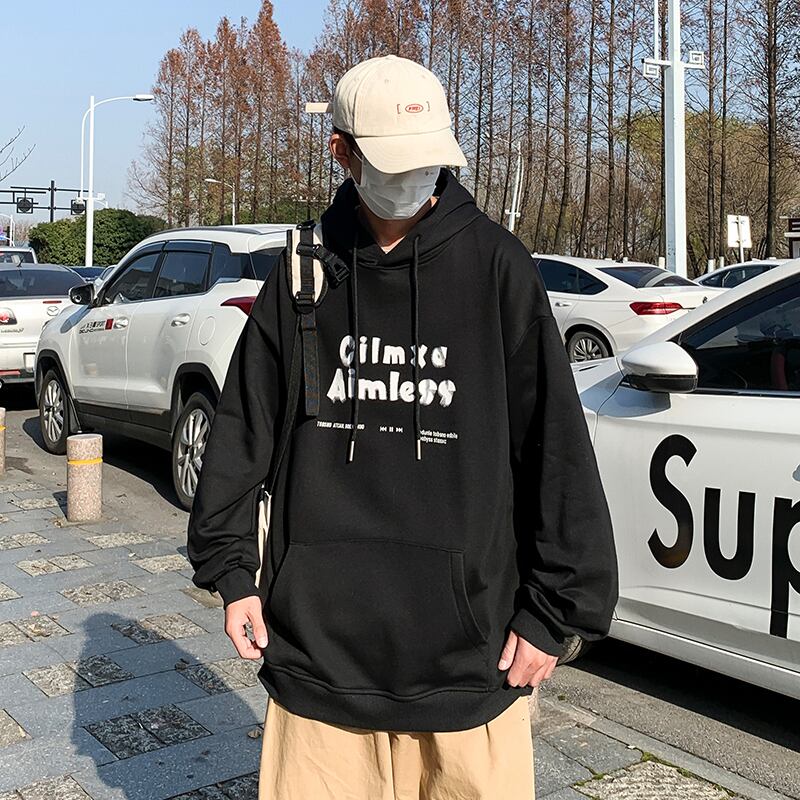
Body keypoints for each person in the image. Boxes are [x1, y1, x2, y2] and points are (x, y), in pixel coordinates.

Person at [186, 54, 618, 800]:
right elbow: (243, 429)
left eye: (428, 158)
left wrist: (555, 614)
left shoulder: (498, 268)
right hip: (319, 660)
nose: (415, 176)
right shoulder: (303, 273)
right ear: (342, 152)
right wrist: (231, 574)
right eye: (394, 160)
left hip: (469, 665)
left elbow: (554, 449)